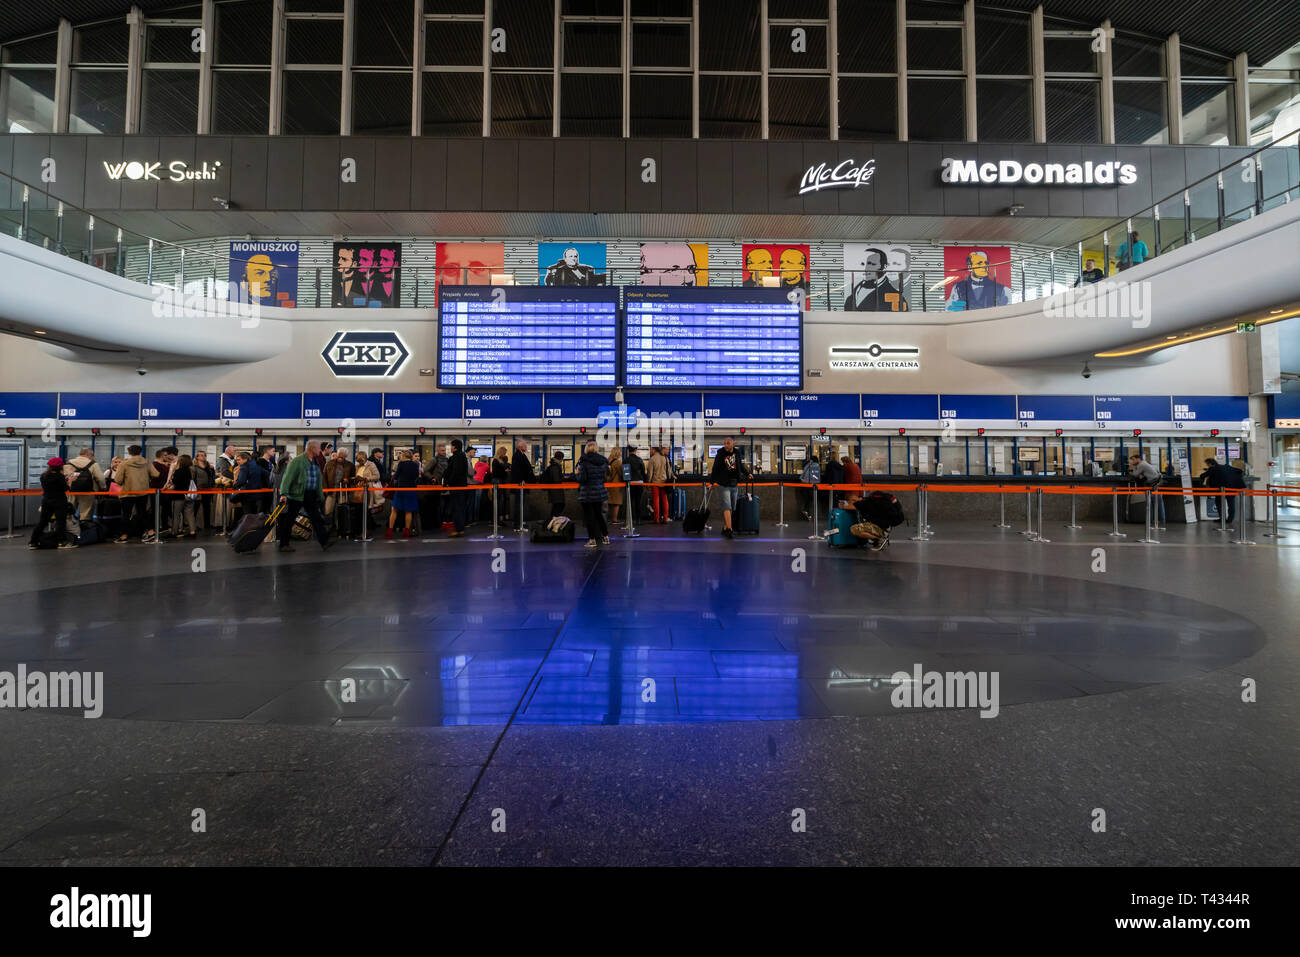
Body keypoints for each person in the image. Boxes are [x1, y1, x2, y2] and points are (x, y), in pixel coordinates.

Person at [276, 440, 335, 553]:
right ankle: (284, 544)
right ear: (312, 448)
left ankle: (324, 542)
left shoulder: (315, 462)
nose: (319, 450)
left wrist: (320, 495)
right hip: (297, 494)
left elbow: (317, 480)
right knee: (290, 519)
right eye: (318, 448)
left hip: (310, 495)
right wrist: (283, 494)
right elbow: (287, 477)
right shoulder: (297, 461)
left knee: (316, 518)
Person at [112, 446, 158, 543]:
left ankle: (124, 536)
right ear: (141, 452)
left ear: (129, 452)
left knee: (126, 515)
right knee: (143, 513)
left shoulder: (124, 464)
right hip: (143, 492)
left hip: (128, 492)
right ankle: (151, 533)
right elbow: (156, 474)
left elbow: (118, 480)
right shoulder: (147, 462)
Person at [29, 457, 75, 549]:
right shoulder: (60, 477)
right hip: (59, 501)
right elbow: (65, 489)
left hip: (46, 501)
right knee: (60, 522)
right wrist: (70, 481)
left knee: (42, 522)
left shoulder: (43, 476)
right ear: (60, 467)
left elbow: (52, 486)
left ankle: (33, 542)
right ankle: (61, 542)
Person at [708, 437, 749, 539]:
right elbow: (715, 469)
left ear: (733, 444)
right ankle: (730, 530)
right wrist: (711, 483)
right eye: (725, 443)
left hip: (734, 484)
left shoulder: (737, 453)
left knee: (732, 508)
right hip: (723, 484)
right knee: (727, 507)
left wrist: (748, 473)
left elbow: (740, 465)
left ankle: (725, 527)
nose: (726, 445)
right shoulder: (720, 454)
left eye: (728, 443)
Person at [844, 246, 908, 311]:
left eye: (871, 264)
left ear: (884, 267)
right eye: (862, 264)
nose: (865, 269)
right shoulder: (854, 291)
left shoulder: (896, 296)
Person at [576, 440, 610, 547]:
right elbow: (606, 477)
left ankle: (592, 540)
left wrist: (577, 473)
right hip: (600, 492)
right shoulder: (603, 461)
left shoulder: (583, 461)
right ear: (596, 448)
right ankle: (606, 537)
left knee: (589, 517)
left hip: (587, 493)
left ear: (586, 448)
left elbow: (582, 478)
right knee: (599, 515)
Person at [386, 449, 421, 539]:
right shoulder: (416, 464)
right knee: (408, 511)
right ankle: (406, 531)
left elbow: (396, 476)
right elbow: (416, 476)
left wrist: (393, 475)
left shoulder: (401, 464)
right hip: (411, 489)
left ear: (404, 456)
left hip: (401, 489)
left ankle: (390, 531)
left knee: (394, 510)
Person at [63, 448, 105, 523]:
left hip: (71, 492)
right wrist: (103, 488)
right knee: (86, 515)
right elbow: (101, 478)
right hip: (88, 492)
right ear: (89, 455)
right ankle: (85, 532)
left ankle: (69, 531)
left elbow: (65, 477)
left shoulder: (68, 463)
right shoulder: (93, 464)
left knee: (69, 512)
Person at [168, 453, 199, 539]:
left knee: (176, 514)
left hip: (178, 495)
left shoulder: (179, 471)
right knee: (190, 514)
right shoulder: (192, 470)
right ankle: (193, 532)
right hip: (189, 494)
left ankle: (175, 532)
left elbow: (175, 483)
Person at [444, 439, 470, 537]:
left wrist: (448, 482)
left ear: (454, 447)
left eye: (451, 446)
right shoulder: (462, 456)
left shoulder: (457, 457)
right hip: (461, 485)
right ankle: (460, 528)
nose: (450, 448)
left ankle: (459, 529)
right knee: (460, 507)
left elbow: (455, 471)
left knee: (457, 508)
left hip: (456, 486)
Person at [1129, 453, 1165, 523]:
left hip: (1153, 484)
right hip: (1157, 482)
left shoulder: (1141, 465)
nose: (1132, 462)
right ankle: (1158, 520)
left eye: (1133, 460)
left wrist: (1134, 466)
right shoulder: (1145, 463)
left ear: (1138, 459)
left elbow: (1135, 474)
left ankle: (1157, 520)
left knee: (1154, 502)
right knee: (1157, 502)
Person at [323, 448, 355, 521]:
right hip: (331, 490)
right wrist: (325, 488)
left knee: (342, 510)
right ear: (337, 455)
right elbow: (324, 477)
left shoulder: (350, 465)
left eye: (342, 457)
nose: (340, 458)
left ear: (345, 456)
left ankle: (340, 528)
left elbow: (353, 478)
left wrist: (348, 480)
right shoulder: (329, 463)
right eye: (339, 456)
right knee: (328, 510)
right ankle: (328, 527)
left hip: (343, 490)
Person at [509, 439, 533, 530]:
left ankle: (520, 522)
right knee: (519, 504)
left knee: (521, 503)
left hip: (522, 483)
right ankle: (517, 524)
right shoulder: (517, 455)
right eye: (525, 445)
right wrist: (521, 479)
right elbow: (517, 469)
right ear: (520, 446)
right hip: (519, 483)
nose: (526, 447)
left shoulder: (521, 455)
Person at [192, 450, 216, 532]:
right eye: (201, 455)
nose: (203, 457)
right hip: (198, 489)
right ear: (197, 457)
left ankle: (207, 524)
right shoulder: (194, 467)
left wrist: (212, 470)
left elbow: (212, 477)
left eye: (204, 455)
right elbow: (193, 479)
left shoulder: (208, 466)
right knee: (196, 507)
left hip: (208, 489)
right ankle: (192, 525)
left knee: (207, 507)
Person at [647, 446, 670, 524]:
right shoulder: (665, 458)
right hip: (664, 482)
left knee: (656, 501)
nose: (650, 451)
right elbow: (669, 471)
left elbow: (650, 473)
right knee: (665, 500)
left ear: (654, 450)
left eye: (651, 449)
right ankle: (665, 518)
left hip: (655, 482)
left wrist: (648, 483)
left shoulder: (652, 459)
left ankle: (656, 519)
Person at [626, 446, 647, 523]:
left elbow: (625, 473)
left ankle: (630, 520)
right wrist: (645, 481)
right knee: (638, 501)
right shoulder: (639, 460)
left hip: (630, 483)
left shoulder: (626, 460)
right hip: (639, 483)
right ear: (635, 450)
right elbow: (643, 472)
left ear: (628, 451)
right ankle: (638, 519)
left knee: (630, 502)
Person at [798, 450, 820, 521]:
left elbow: (803, 474)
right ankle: (807, 511)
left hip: (804, 484)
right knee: (811, 499)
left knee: (807, 499)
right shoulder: (816, 465)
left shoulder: (807, 465)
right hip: (811, 484)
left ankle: (807, 511)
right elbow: (816, 476)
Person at [491, 446, 512, 524]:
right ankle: (496, 519)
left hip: (499, 481)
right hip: (497, 481)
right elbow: (495, 473)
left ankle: (498, 518)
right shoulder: (496, 461)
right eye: (505, 453)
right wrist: (505, 471)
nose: (505, 454)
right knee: (497, 500)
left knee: (499, 500)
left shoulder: (498, 460)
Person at [544, 450, 567, 518]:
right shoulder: (555, 466)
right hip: (556, 490)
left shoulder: (554, 465)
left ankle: (553, 520)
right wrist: (564, 478)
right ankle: (553, 520)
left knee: (556, 505)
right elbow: (556, 479)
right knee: (559, 505)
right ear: (560, 458)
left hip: (554, 490)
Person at [606, 446, 624, 526]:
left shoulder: (608, 461)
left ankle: (610, 518)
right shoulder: (618, 462)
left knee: (610, 502)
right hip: (616, 485)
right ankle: (615, 519)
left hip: (608, 484)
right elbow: (621, 473)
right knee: (616, 503)